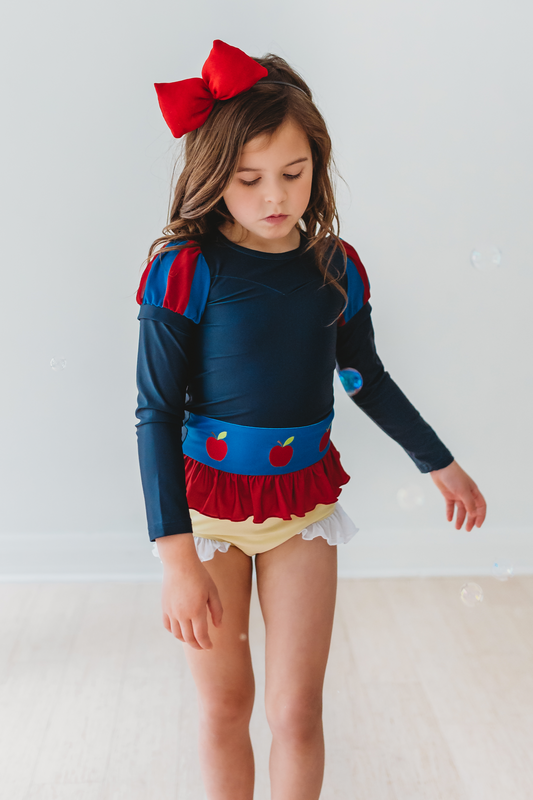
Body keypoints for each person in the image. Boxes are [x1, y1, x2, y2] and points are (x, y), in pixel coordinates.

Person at [134, 40, 487, 800]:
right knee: (226, 704)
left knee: (297, 710)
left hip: (301, 507)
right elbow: (155, 413)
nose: (274, 197)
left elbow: (365, 378)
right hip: (207, 517)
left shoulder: (336, 267)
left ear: (316, 166)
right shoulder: (185, 269)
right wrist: (176, 562)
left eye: (293, 175)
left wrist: (438, 461)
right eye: (249, 179)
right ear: (211, 177)